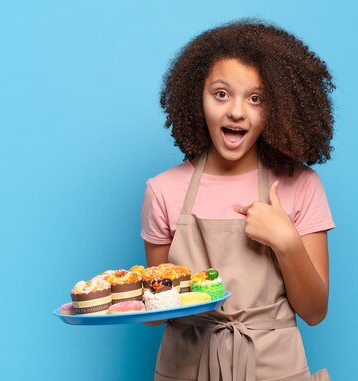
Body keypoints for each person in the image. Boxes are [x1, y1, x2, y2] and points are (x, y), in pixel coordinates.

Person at [141, 19, 335, 381]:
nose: (236, 111)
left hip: (276, 368)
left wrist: (287, 242)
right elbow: (155, 314)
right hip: (186, 368)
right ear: (197, 97)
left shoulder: (301, 185)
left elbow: (314, 312)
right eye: (221, 93)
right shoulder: (162, 190)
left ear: (277, 108)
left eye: (256, 98)